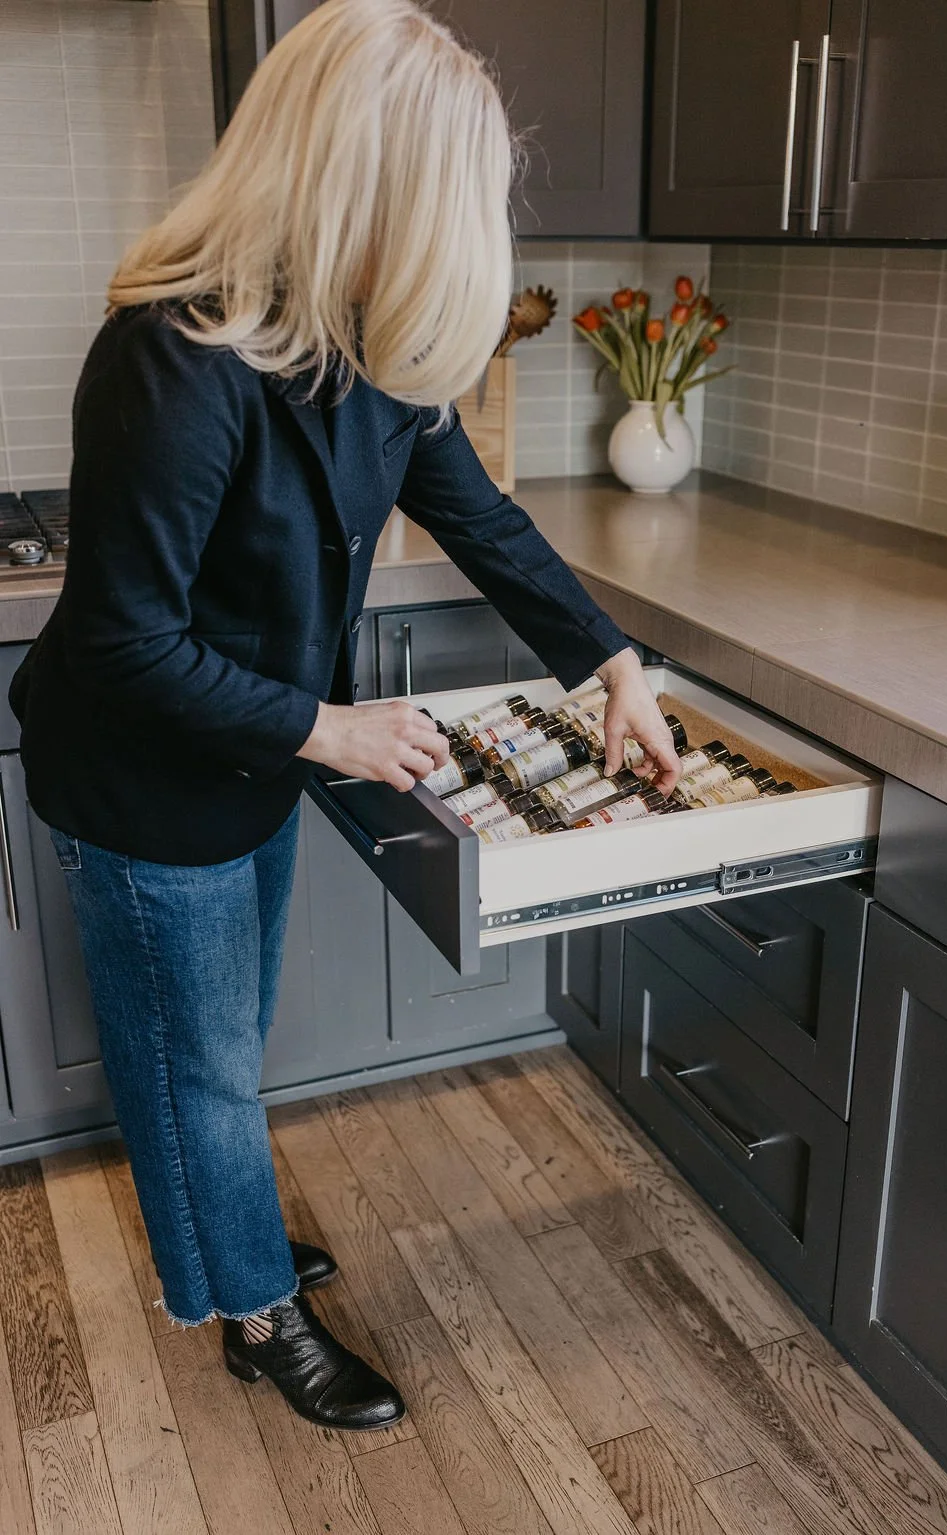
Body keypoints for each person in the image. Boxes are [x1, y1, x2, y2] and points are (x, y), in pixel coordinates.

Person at [8, 0, 680, 1430]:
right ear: (353, 181)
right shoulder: (173, 359)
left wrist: (610, 661)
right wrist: (331, 730)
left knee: (219, 1060)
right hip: (141, 779)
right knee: (197, 1075)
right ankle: (254, 1312)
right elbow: (126, 645)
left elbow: (484, 523)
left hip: (246, 758)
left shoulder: (367, 343)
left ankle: (223, 1229)